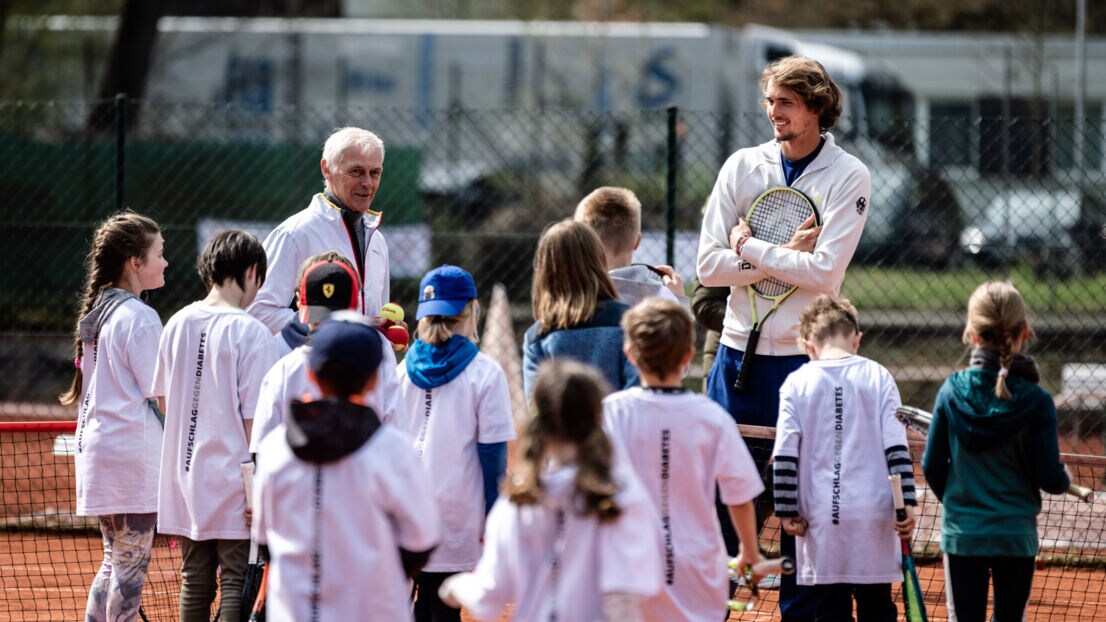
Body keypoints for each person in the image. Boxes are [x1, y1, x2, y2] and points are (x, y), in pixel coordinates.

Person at [696, 55, 871, 620]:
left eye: (787, 103)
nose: (774, 112)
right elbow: (705, 267)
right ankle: (711, 608)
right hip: (734, 359)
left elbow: (824, 274)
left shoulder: (850, 176)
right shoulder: (741, 166)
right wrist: (785, 258)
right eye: (770, 101)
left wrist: (749, 250)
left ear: (817, 108)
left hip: (805, 363)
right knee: (724, 501)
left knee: (808, 506)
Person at [438, 359, 663, 621]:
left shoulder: (518, 500)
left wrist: (454, 586)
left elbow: (489, 599)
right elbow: (639, 589)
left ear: (540, 420)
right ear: (598, 418)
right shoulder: (623, 494)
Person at [253, 315, 441, 621]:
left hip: (295, 611)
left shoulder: (274, 449)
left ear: (311, 375)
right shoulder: (393, 450)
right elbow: (422, 540)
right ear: (374, 380)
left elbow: (265, 542)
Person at [603, 297, 766, 621]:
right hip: (699, 568)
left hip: (628, 564)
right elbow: (739, 494)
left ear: (630, 354)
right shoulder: (713, 417)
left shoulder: (610, 412)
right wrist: (749, 548)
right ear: (689, 357)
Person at [922, 282, 1070, 622]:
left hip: (963, 534)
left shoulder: (950, 391)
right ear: (1024, 332)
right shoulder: (1038, 402)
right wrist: (1063, 480)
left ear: (972, 334)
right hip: (1015, 535)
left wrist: (961, 503)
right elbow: (1049, 476)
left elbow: (931, 465)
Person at [152, 230, 278, 622]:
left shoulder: (177, 322)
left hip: (184, 474)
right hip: (235, 479)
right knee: (238, 578)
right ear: (253, 271)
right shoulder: (252, 332)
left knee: (195, 578)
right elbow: (255, 422)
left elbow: (162, 401)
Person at [771, 295, 916, 620]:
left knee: (829, 609)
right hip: (874, 517)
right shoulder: (880, 376)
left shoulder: (796, 382)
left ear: (807, 344)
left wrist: (786, 509)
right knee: (877, 607)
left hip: (821, 518)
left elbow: (784, 454)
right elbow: (897, 449)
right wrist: (905, 505)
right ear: (857, 339)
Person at [58, 212, 167, 622]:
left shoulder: (102, 313)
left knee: (114, 560)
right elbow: (160, 392)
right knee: (129, 567)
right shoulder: (138, 316)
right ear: (135, 263)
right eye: (159, 253)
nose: (165, 262)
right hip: (130, 459)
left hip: (102, 453)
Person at [396, 265, 517, 622]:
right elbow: (492, 453)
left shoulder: (400, 371)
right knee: (445, 606)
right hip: (460, 514)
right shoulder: (484, 372)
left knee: (419, 602)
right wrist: (494, 518)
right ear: (472, 310)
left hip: (409, 508)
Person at [250, 252, 401, 455]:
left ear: (300, 301)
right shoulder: (378, 346)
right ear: (355, 302)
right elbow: (396, 424)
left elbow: (261, 450)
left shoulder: (283, 366)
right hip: (366, 474)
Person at [248, 127, 391, 335]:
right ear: (326, 169)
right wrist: (329, 325)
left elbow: (372, 316)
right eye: (356, 171)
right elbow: (257, 311)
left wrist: (382, 328)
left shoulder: (377, 240)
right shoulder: (295, 233)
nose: (367, 183)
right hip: (309, 365)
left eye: (375, 173)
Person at [522, 219, 639, 400]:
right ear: (599, 260)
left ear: (544, 271)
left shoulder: (537, 336)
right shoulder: (630, 322)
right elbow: (637, 391)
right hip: (620, 426)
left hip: (561, 428)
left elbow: (537, 407)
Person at [573, 186, 687, 307]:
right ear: (637, 242)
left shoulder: (571, 293)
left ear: (581, 243)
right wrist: (679, 299)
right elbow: (681, 325)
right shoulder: (659, 294)